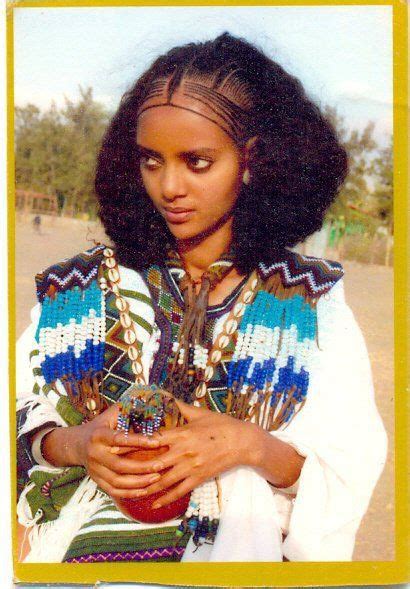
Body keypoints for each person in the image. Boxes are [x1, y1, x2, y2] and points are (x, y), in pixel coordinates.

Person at [16, 32, 387, 563]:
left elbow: (346, 473)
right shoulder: (78, 292)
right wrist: (73, 444)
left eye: (196, 161)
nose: (169, 186)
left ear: (253, 159)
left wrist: (250, 446)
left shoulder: (306, 302)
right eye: (150, 160)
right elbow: (21, 417)